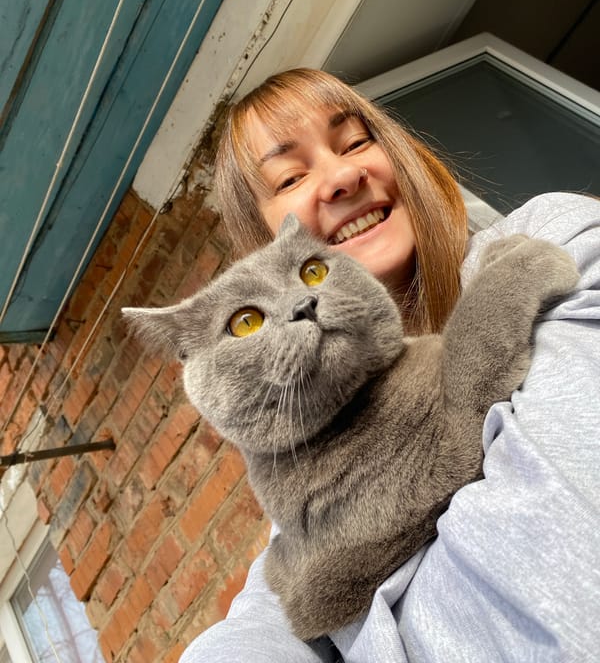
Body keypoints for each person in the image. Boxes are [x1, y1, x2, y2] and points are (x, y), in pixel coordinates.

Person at [180, 68, 600, 663]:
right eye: (291, 177)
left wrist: (375, 609)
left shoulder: (549, 235)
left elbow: (560, 533)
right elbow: (262, 625)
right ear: (266, 248)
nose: (342, 177)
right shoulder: (300, 489)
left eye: (355, 142)